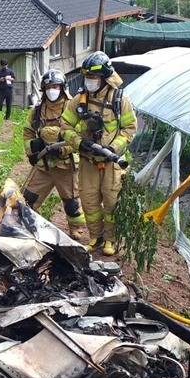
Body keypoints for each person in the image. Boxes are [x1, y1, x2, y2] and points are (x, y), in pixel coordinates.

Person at [62, 51, 137, 256]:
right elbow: (65, 125)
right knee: (89, 200)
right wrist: (79, 143)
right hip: (88, 161)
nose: (90, 81)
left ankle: (110, 240)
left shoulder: (120, 100)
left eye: (93, 77)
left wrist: (113, 149)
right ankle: (96, 237)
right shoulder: (80, 99)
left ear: (104, 78)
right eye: (87, 77)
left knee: (111, 202)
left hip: (112, 163)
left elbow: (129, 129)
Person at [22, 69, 85, 237]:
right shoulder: (37, 111)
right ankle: (23, 226)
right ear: (44, 88)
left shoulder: (73, 108)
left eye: (56, 86)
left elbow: (80, 135)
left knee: (71, 203)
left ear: (63, 87)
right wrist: (32, 151)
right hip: (44, 166)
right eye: (49, 86)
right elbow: (27, 132)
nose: (52, 90)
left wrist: (64, 149)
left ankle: (76, 229)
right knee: (28, 199)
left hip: (66, 166)